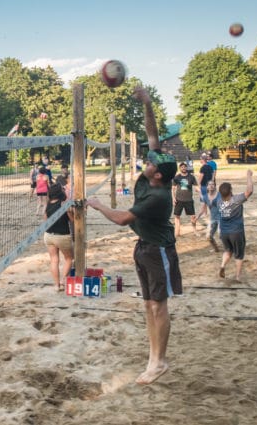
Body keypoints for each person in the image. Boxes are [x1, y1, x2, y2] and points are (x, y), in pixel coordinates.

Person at [86, 85, 181, 385]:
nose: (146, 162)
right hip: (144, 247)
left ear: (157, 176)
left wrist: (98, 204)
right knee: (147, 305)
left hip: (159, 250)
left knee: (158, 305)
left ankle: (160, 361)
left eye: (150, 164)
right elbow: (152, 135)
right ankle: (153, 357)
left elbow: (122, 219)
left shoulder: (158, 198)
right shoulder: (155, 173)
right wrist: (148, 103)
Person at [216, 170, 254, 282]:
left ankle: (223, 265)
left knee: (228, 250)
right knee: (239, 254)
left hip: (224, 232)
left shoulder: (219, 202)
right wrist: (248, 176)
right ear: (230, 191)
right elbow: (249, 191)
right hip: (236, 232)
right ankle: (238, 276)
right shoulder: (236, 200)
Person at [44, 184, 73, 291]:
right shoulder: (63, 204)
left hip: (48, 235)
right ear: (60, 192)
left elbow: (45, 220)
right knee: (69, 259)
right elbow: (73, 220)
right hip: (62, 236)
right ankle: (63, 281)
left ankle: (56, 285)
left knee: (54, 260)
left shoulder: (47, 204)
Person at [172, 162, 199, 237]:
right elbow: (173, 189)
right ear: (180, 168)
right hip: (179, 200)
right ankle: (177, 232)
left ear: (186, 168)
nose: (183, 168)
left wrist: (200, 191)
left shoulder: (191, 177)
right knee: (177, 216)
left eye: (185, 167)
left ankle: (195, 231)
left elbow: (196, 186)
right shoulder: (177, 177)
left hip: (189, 200)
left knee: (193, 216)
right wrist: (173, 198)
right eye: (182, 167)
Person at [195, 180, 221, 252]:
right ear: (207, 187)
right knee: (208, 236)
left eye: (213, 184)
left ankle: (230, 248)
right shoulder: (205, 197)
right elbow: (203, 209)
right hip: (213, 218)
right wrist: (197, 217)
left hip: (221, 218)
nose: (211, 186)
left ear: (215, 186)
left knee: (221, 234)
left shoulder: (220, 195)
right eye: (209, 184)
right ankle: (216, 249)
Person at [197, 153, 215, 225]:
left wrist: (198, 186)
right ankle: (208, 216)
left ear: (203, 160)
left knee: (204, 202)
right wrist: (212, 183)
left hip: (204, 186)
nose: (200, 160)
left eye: (200, 159)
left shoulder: (203, 167)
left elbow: (201, 177)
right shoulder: (210, 167)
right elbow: (213, 175)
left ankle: (205, 216)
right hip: (209, 186)